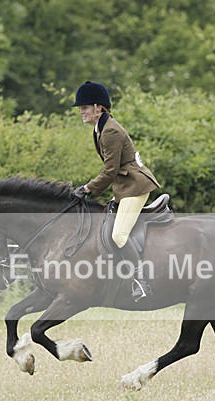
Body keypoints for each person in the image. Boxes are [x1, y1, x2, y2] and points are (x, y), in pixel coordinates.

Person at [71, 81, 161, 302]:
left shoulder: (110, 130)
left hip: (135, 185)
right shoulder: (100, 128)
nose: (81, 111)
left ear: (98, 107)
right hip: (125, 185)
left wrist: (87, 188)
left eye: (85, 107)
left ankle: (140, 281)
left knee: (118, 235)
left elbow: (110, 170)